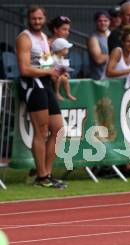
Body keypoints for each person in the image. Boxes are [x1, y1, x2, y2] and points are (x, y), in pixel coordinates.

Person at [16, 5, 66, 188]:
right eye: (34, 19)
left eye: (40, 18)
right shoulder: (24, 38)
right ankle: (41, 176)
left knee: (59, 129)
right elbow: (24, 68)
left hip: (44, 83)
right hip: (32, 85)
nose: (37, 21)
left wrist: (56, 70)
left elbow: (45, 63)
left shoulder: (44, 37)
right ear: (29, 19)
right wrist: (48, 71)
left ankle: (47, 172)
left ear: (44, 19)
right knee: (41, 130)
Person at [88, 11, 111, 80]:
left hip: (112, 77)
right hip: (99, 78)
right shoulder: (93, 38)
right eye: (100, 21)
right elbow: (98, 59)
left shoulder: (112, 35)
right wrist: (115, 54)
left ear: (109, 22)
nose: (103, 23)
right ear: (96, 22)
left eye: (105, 21)